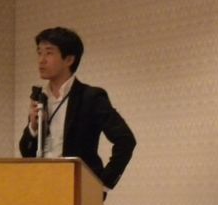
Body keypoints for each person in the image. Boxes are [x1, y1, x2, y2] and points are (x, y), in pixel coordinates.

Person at [19, 27, 136, 192]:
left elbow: (126, 140)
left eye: (49, 53)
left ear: (69, 59)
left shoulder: (91, 97)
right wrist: (32, 128)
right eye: (39, 53)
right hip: (41, 188)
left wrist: (102, 185)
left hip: (77, 189)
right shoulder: (40, 98)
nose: (41, 60)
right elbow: (27, 153)